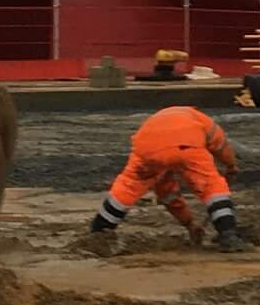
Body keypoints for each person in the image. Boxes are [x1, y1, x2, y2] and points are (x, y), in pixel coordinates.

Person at [88, 105, 247, 252]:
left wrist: (189, 224)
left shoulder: (162, 119)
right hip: (187, 145)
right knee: (211, 187)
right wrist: (230, 165)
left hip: (147, 150)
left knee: (127, 188)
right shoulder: (201, 119)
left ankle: (99, 233)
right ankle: (228, 234)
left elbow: (168, 194)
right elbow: (220, 145)